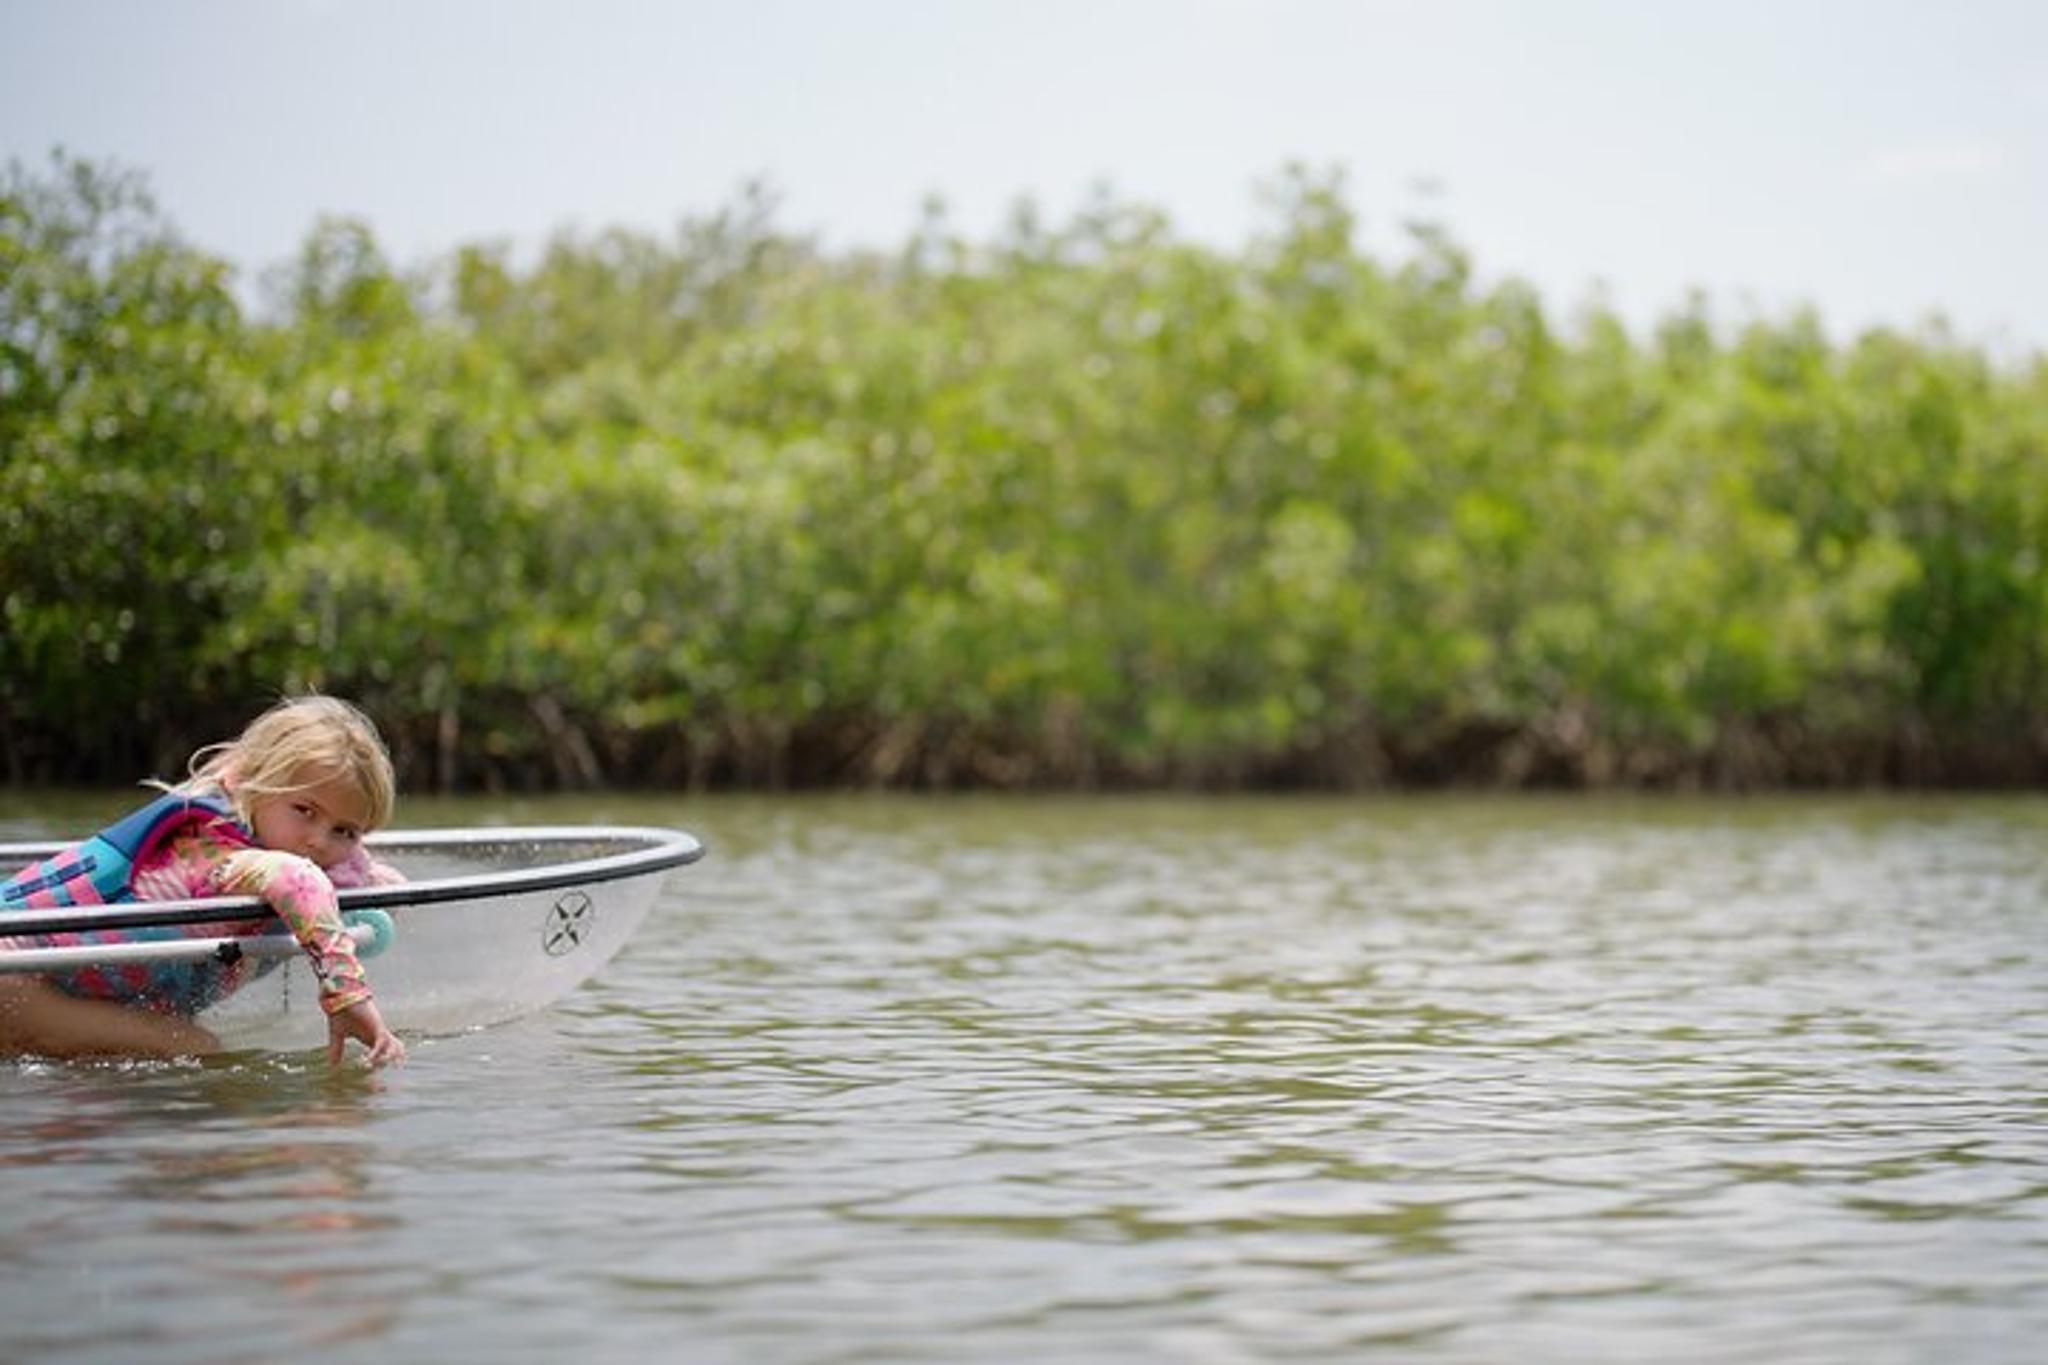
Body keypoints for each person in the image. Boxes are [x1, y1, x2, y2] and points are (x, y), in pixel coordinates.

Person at [0, 696, 408, 1067]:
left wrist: (371, 883)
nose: (318, 840)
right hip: (11, 981)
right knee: (198, 1051)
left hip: (33, 988)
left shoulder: (275, 840)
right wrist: (346, 995)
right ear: (250, 785)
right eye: (304, 810)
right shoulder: (214, 854)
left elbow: (344, 875)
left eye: (345, 831)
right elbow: (296, 881)